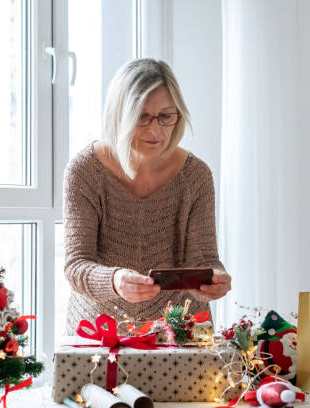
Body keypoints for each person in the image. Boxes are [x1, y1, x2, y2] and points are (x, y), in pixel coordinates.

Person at [63, 58, 231, 333]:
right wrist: (115, 280)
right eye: (142, 116)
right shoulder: (85, 171)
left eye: (166, 116)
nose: (156, 131)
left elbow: (203, 259)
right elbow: (76, 265)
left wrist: (213, 281)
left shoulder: (196, 175)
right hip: (100, 335)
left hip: (181, 334)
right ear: (120, 114)